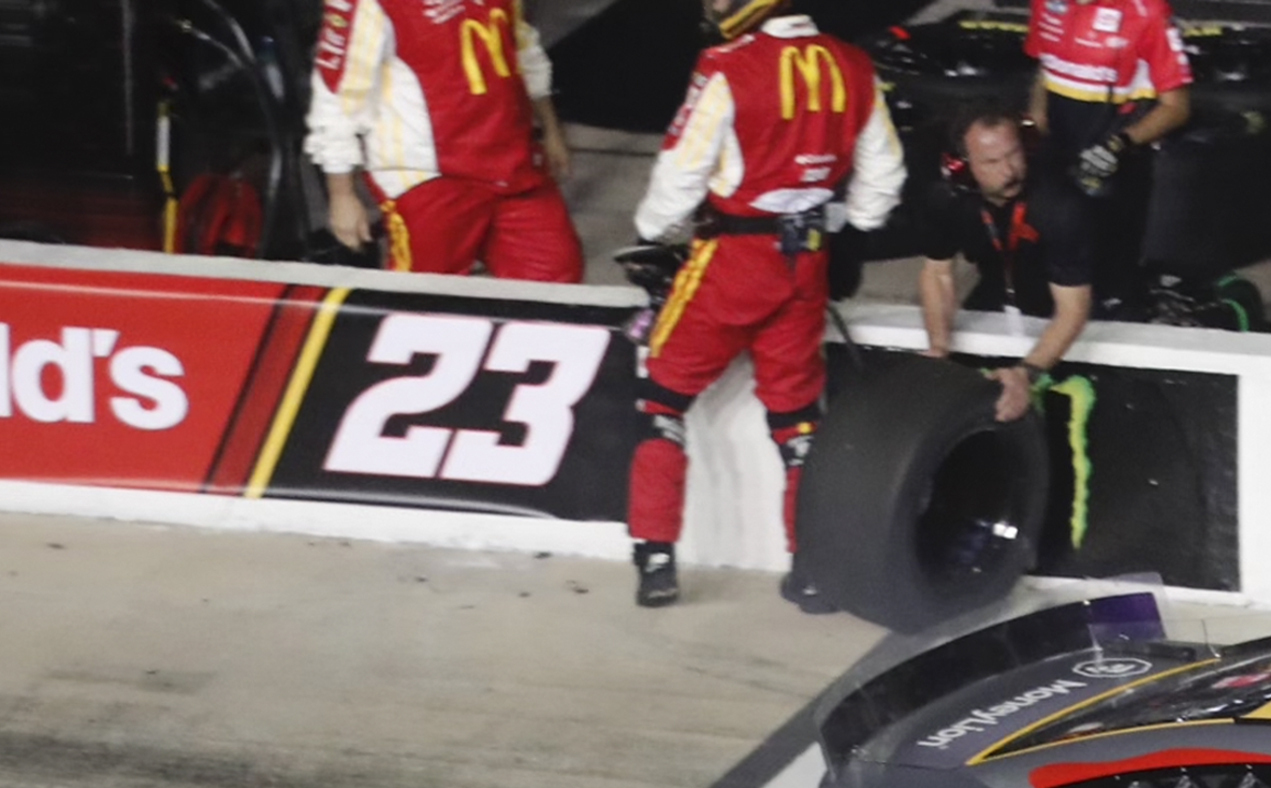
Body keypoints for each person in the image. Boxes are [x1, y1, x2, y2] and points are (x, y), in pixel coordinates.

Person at [624, 0, 905, 611]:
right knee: (798, 422)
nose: (712, 5)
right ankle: (810, 569)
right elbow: (884, 173)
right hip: (806, 263)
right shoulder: (853, 64)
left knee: (661, 401)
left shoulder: (727, 65)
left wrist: (652, 231)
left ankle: (656, 559)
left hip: (731, 259)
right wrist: (853, 228)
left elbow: (682, 169)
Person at [304, 0, 580, 281]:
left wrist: (550, 129)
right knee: (425, 297)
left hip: (513, 159)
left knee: (557, 279)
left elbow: (522, 48)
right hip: (426, 176)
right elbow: (336, 95)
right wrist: (341, 194)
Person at [911, 111, 1093, 424]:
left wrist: (1027, 372)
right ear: (962, 166)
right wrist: (939, 348)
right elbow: (937, 274)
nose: (1009, 171)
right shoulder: (947, 200)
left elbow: (1073, 308)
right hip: (999, 292)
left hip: (1066, 299)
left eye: (1014, 155)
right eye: (991, 162)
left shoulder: (1058, 203)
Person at [1024, 0, 1193, 318]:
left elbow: (1177, 108)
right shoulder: (1045, 3)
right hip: (1054, 163)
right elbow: (1044, 67)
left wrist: (1118, 145)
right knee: (1049, 275)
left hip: (1116, 171)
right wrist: (1034, 122)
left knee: (1112, 288)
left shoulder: (1147, 10)